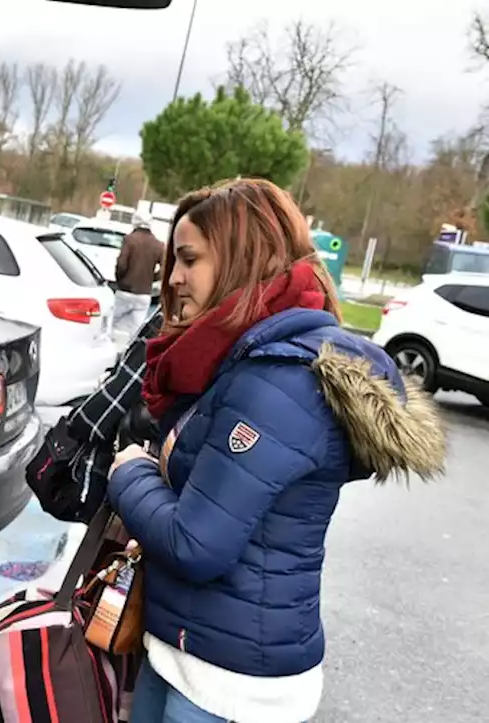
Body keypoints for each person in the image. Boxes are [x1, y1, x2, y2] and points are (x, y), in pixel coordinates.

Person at [106, 178, 446, 723]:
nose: (171, 278)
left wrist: (130, 474)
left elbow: (197, 543)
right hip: (192, 653)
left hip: (230, 685)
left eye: (189, 260)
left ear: (245, 259)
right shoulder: (244, 359)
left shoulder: (278, 381)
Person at [112, 213, 164, 336]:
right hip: (144, 293)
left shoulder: (130, 239)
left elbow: (121, 264)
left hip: (125, 290)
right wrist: (151, 278)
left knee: (112, 324)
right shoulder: (158, 244)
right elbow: (165, 269)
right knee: (136, 330)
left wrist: (120, 280)